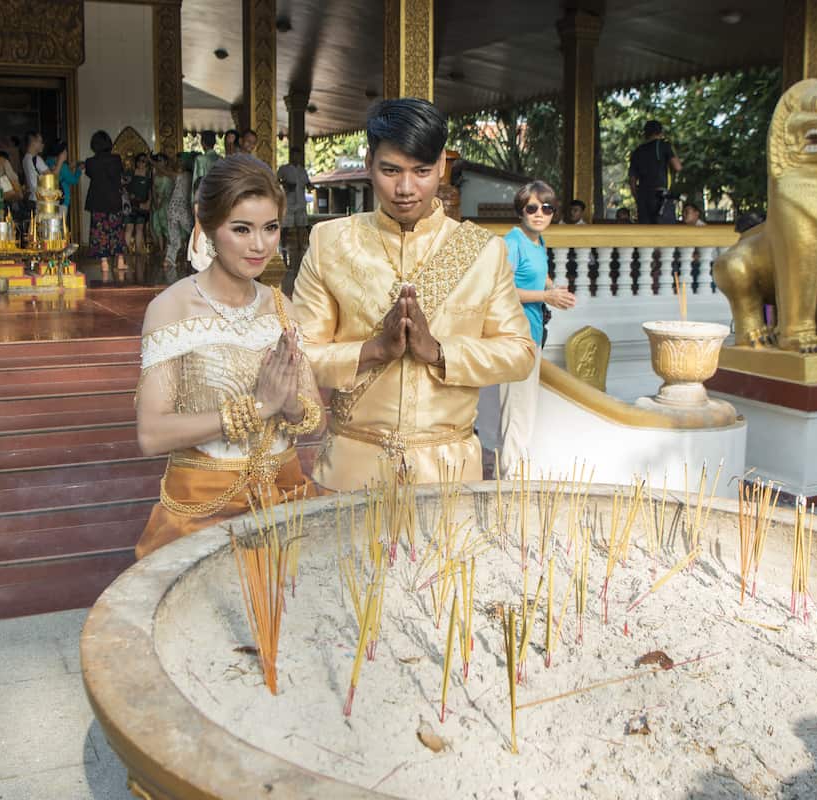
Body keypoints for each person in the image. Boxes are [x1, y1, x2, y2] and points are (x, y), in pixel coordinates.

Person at [293, 98, 535, 491]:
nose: (405, 188)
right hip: (351, 470)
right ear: (369, 161)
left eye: (422, 171)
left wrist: (439, 351)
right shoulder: (331, 242)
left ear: (442, 164)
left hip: (448, 472)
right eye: (391, 170)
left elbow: (520, 353)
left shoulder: (482, 251)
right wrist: (374, 350)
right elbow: (301, 355)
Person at [133, 154, 323, 559]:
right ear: (208, 227)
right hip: (203, 506)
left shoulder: (282, 307)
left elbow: (312, 416)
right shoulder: (173, 308)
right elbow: (151, 434)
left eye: (270, 228)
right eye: (242, 229)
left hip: (284, 495)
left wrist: (288, 404)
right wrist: (257, 408)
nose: (260, 245)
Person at [499, 181, 576, 473]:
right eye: (532, 208)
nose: (539, 214)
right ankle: (510, 483)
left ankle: (510, 476)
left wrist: (554, 289)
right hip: (514, 336)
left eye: (547, 208)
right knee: (516, 413)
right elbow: (502, 289)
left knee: (525, 410)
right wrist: (546, 296)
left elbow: (539, 274)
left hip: (534, 333)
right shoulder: (513, 242)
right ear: (521, 210)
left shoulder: (538, 242)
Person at [84, 129, 128, 284]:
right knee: (116, 230)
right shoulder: (116, 159)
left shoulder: (90, 162)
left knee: (99, 231)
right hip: (114, 201)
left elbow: (90, 174)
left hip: (97, 202)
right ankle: (120, 261)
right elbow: (120, 176)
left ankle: (104, 263)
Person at [629, 120, 682, 224]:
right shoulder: (663, 145)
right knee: (665, 233)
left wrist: (637, 197)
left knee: (646, 233)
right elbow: (677, 166)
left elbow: (632, 180)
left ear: (645, 134)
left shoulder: (638, 151)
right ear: (661, 132)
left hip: (643, 197)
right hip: (661, 196)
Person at [277, 146, 313, 293]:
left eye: (299, 156)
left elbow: (307, 183)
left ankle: (299, 250)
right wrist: (285, 184)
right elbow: (277, 180)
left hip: (300, 203)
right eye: (295, 155)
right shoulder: (284, 169)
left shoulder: (302, 171)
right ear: (291, 156)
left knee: (301, 226)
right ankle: (283, 250)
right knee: (286, 227)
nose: (297, 158)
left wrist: (310, 186)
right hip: (289, 201)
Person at [164, 152, 194, 282]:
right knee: (194, 232)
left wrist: (154, 163)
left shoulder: (182, 175)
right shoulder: (190, 176)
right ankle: (196, 258)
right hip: (182, 209)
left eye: (180, 161)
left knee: (174, 235)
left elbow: (166, 172)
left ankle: (169, 259)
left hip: (173, 208)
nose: (178, 163)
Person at [125, 153, 152, 282]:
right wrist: (130, 198)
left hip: (143, 205)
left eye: (144, 162)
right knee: (129, 228)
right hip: (131, 205)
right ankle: (127, 252)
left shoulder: (149, 174)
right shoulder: (130, 173)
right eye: (140, 161)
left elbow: (151, 190)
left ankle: (138, 252)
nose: (142, 164)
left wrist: (149, 203)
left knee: (140, 228)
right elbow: (124, 187)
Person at [149, 153, 175, 284]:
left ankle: (168, 249)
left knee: (166, 226)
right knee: (157, 225)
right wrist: (154, 199)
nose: (159, 162)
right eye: (157, 160)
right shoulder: (155, 173)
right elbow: (153, 187)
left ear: (165, 161)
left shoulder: (169, 172)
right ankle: (161, 248)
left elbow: (170, 189)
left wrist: (162, 199)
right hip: (157, 202)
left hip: (167, 202)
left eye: (161, 160)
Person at [47, 140, 82, 223]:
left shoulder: (47, 161)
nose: (66, 153)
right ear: (61, 153)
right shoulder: (62, 166)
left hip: (50, 201)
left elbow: (59, 175)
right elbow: (73, 180)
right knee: (60, 228)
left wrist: (69, 167)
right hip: (62, 201)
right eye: (65, 150)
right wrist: (79, 170)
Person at [21, 130, 49, 210]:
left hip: (32, 198)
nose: (42, 145)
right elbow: (51, 177)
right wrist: (60, 162)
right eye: (40, 141)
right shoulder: (36, 159)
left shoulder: (25, 158)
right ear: (33, 142)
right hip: (40, 199)